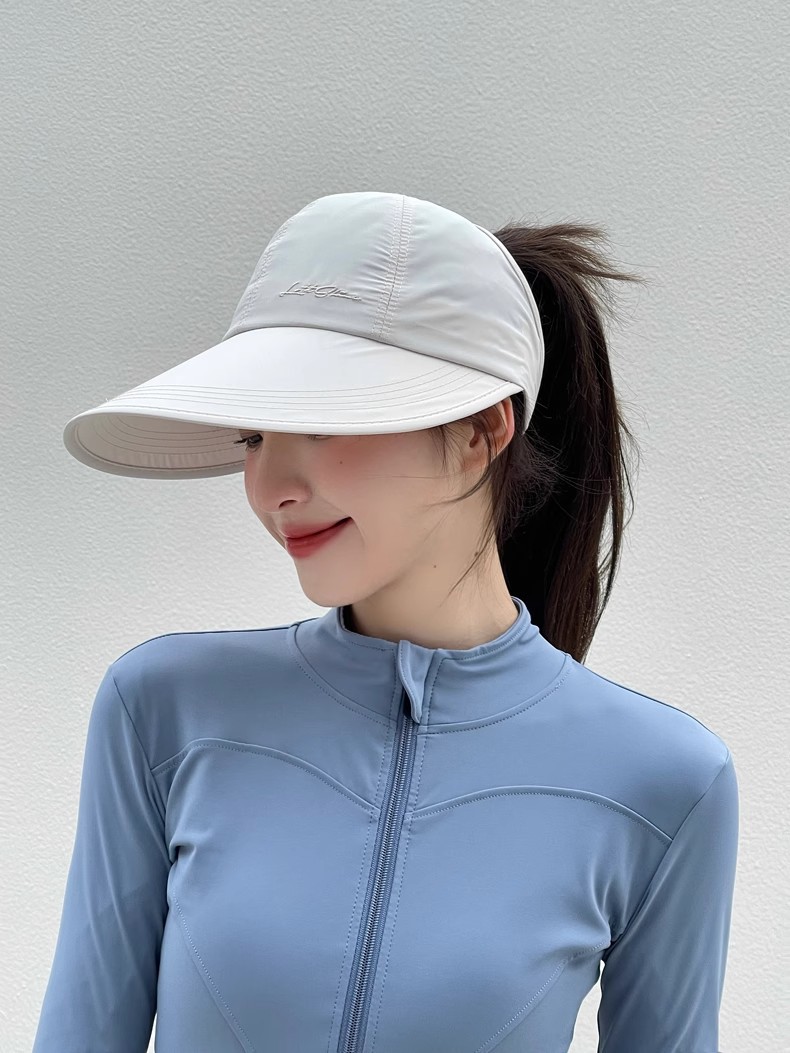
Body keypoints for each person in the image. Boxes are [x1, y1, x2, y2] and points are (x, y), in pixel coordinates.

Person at [33, 191, 739, 1053]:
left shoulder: (664, 779)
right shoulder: (163, 709)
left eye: (321, 422)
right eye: (254, 436)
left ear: (482, 431)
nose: (272, 487)